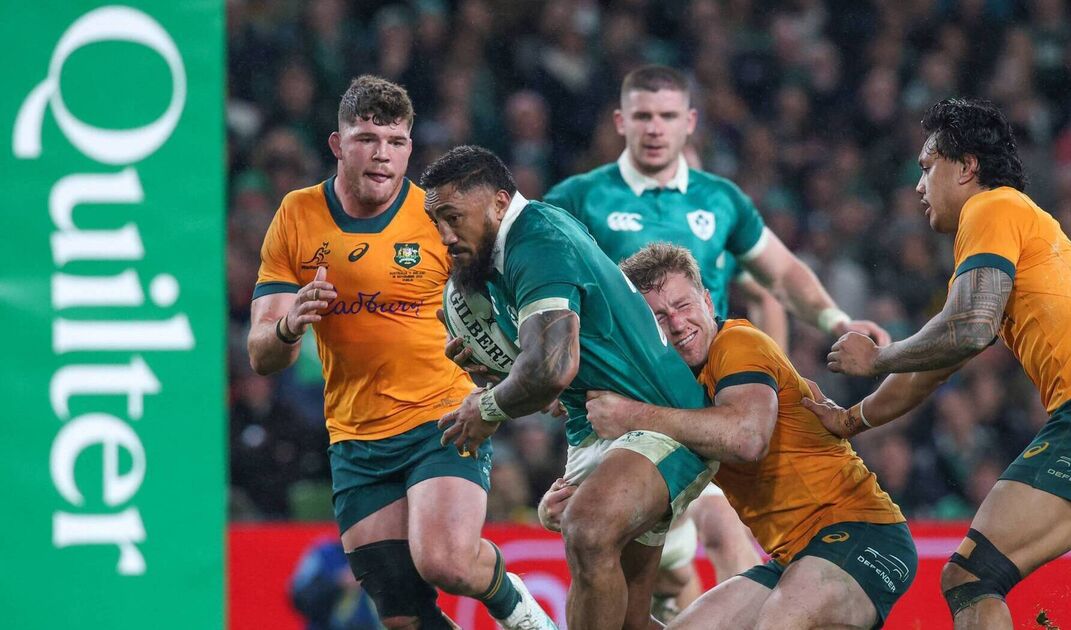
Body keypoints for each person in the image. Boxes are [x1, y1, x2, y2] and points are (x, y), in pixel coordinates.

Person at [804, 98, 1071, 630]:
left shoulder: (989, 208)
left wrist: (877, 358)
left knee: (970, 577)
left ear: (967, 167)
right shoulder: (1026, 230)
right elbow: (936, 363)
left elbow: (969, 326)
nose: (918, 186)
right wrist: (852, 420)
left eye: (927, 167)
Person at [542, 64, 891, 612]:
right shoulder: (579, 198)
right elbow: (542, 285)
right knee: (627, 567)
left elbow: (781, 273)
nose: (654, 128)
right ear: (620, 122)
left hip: (702, 398)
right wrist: (551, 368)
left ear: (689, 122)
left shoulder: (720, 199)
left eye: (666, 116)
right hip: (616, 405)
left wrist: (835, 320)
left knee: (721, 532)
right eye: (642, 116)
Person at [247, 76, 553, 630]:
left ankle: (519, 610)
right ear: (338, 145)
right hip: (355, 437)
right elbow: (263, 355)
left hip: (442, 417)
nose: (382, 155)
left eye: (396, 142)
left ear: (410, 149)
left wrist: (522, 372)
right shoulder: (296, 215)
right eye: (366, 139)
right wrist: (290, 326)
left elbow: (506, 303)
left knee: (446, 561)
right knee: (402, 618)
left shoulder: (438, 216)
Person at [423, 145, 715, 630]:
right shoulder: (498, 262)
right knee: (629, 621)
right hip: (596, 424)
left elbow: (552, 368)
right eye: (436, 222)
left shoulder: (537, 238)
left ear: (499, 202)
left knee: (587, 527)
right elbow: (549, 376)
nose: (445, 236)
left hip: (660, 421)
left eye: (453, 217)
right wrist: (496, 377)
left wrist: (488, 407)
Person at [560, 242, 915, 629]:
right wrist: (562, 496)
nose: (677, 324)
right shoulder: (667, 386)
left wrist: (631, 416)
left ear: (707, 301)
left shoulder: (739, 343)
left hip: (864, 531)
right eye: (659, 317)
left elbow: (747, 439)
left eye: (683, 305)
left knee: (779, 624)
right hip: (792, 558)